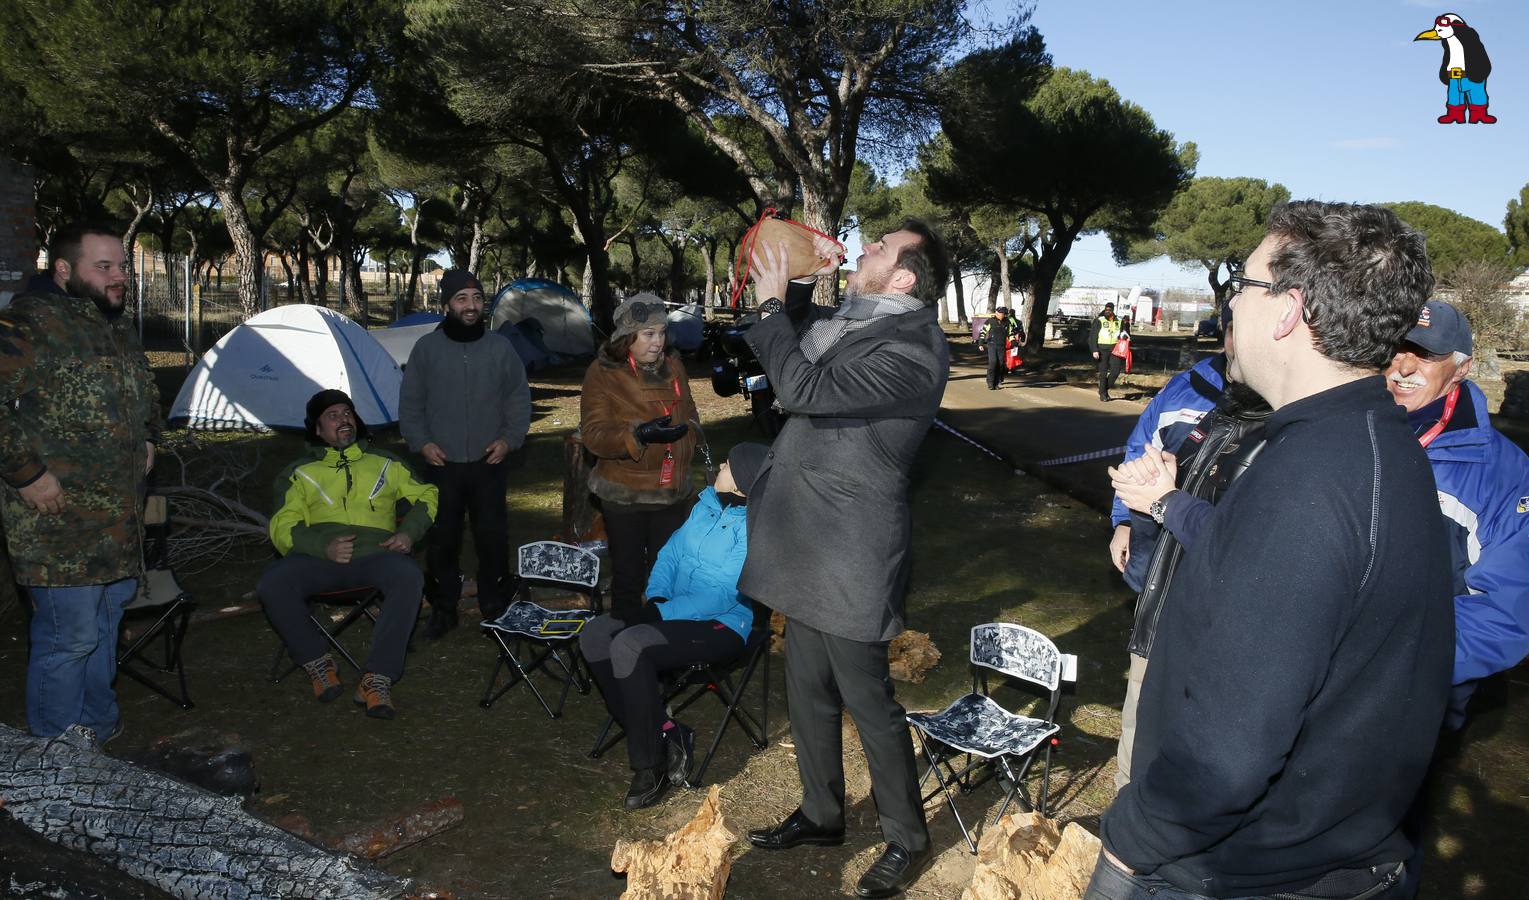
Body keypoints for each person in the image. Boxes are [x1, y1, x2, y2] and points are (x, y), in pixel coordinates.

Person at [1089, 201, 1454, 900]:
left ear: (1287, 311)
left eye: (1242, 286)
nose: (1232, 303)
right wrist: (1168, 503)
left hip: (1238, 871)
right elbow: (1252, 562)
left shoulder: (1308, 477)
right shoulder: (1367, 443)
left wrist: (1132, 842)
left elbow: (1227, 755)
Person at [742, 219, 949, 900]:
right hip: (805, 541)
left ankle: (907, 839)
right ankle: (822, 813)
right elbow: (799, 345)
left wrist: (771, 306)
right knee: (805, 688)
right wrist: (796, 284)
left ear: (904, 279)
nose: (862, 251)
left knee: (868, 700)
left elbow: (801, 389)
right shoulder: (858, 321)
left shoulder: (912, 351)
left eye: (878, 250)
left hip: (851, 552)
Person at [0, 221, 160, 740]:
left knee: (105, 628)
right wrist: (27, 475)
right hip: (59, 522)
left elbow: (145, 391)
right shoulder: (29, 323)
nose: (120, 277)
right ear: (64, 269)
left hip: (118, 520)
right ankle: (56, 751)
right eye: (105, 267)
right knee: (69, 637)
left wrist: (150, 436)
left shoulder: (112, 325)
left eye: (123, 266)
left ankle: (96, 728)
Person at [580, 442, 768, 810]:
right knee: (596, 634)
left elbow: (722, 595)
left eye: (728, 464)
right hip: (672, 611)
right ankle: (667, 732)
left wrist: (661, 614)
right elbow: (670, 553)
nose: (720, 467)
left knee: (630, 645)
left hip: (721, 626)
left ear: (744, 481)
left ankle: (651, 768)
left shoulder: (755, 529)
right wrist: (657, 599)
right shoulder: (706, 505)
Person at [259, 390, 439, 720]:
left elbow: (427, 495)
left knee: (408, 575)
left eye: (347, 413)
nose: (343, 419)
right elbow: (282, 524)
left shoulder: (386, 463)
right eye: (332, 415)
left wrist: (408, 533)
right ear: (316, 429)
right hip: (319, 560)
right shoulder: (299, 472)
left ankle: (377, 677)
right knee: (274, 581)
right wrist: (320, 546)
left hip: (376, 556)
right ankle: (317, 660)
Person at [400, 269, 531, 639]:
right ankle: (443, 608)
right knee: (443, 539)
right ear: (446, 305)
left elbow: (518, 399)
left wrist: (509, 439)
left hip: (489, 462)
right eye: (462, 299)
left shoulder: (500, 348)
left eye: (476, 298)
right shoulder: (427, 349)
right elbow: (410, 404)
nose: (471, 305)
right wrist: (421, 442)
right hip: (442, 464)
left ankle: (494, 606)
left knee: (492, 538)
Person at [580, 293, 699, 624]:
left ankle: (662, 652)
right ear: (626, 338)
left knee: (667, 578)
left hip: (672, 492)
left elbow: (690, 412)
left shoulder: (674, 366)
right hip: (625, 495)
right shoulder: (602, 372)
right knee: (629, 578)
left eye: (662, 332)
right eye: (649, 334)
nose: (658, 342)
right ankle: (623, 653)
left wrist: (689, 434)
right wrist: (639, 436)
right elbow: (594, 436)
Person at [978, 306, 1017, 390]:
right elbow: (983, 332)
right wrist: (980, 343)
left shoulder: (1007, 322)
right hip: (992, 345)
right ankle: (990, 383)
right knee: (993, 363)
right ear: (997, 312)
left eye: (1003, 313)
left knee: (1000, 364)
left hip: (1002, 346)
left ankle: (996, 383)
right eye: (1000, 313)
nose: (1001, 315)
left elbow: (1010, 334)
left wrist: (1014, 344)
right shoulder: (990, 321)